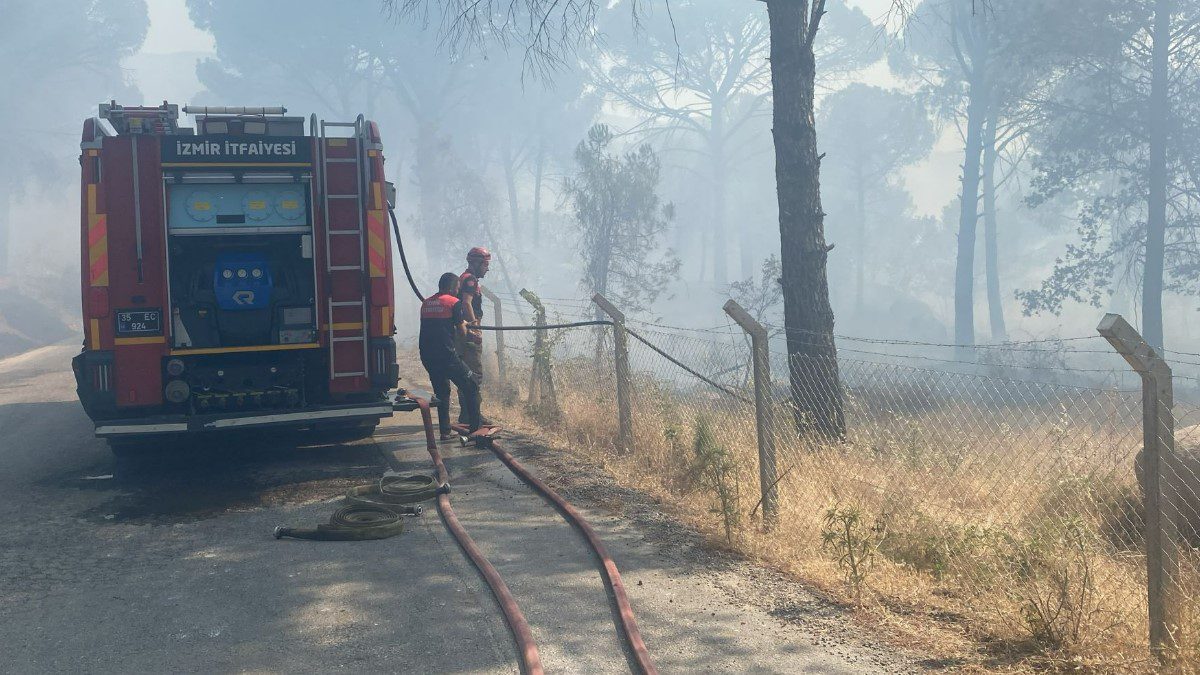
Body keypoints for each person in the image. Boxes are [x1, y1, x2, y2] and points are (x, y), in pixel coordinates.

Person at [419, 272, 481, 439]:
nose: (458, 290)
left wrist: (461, 323)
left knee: (442, 392)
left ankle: (445, 431)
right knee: (472, 385)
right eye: (458, 288)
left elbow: (438, 326)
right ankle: (475, 430)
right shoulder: (453, 302)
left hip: (427, 357)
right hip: (446, 356)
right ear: (454, 287)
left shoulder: (426, 303)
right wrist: (471, 333)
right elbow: (461, 333)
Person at [457, 246, 490, 424]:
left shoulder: (464, 278)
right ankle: (474, 415)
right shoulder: (470, 280)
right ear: (477, 263)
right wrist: (475, 329)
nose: (487, 268)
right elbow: (466, 304)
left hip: (462, 330)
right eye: (485, 264)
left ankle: (466, 414)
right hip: (469, 331)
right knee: (474, 373)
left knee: (464, 373)